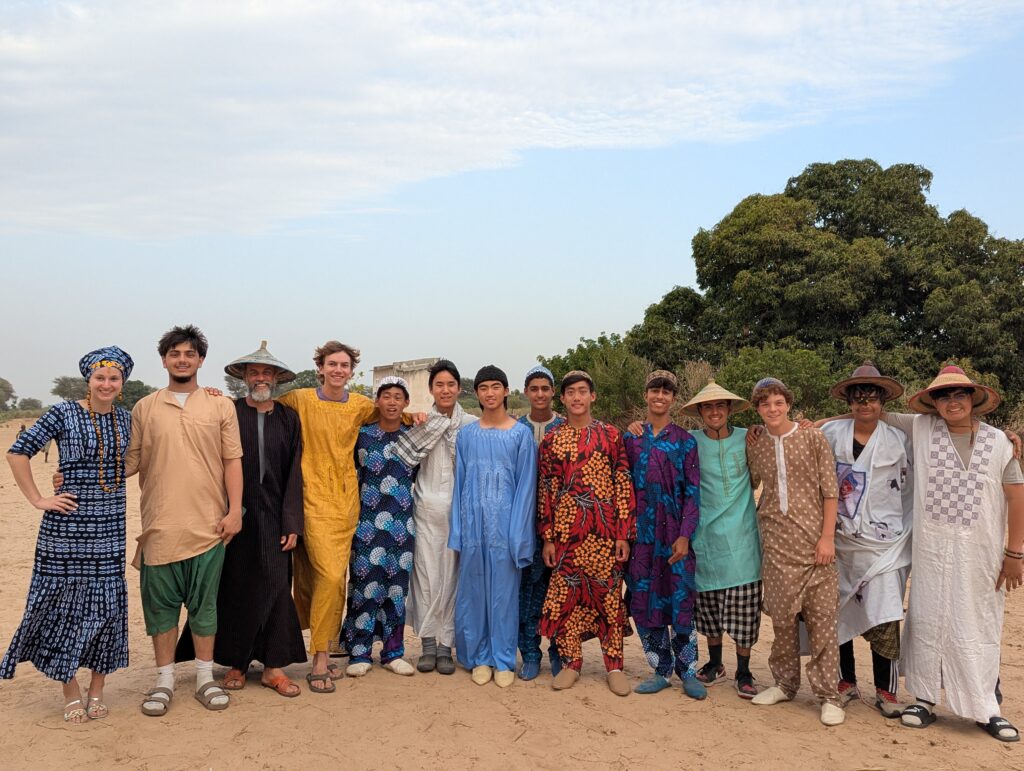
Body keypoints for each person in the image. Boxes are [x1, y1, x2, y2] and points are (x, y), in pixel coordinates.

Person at [885, 366, 1024, 742]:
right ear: (933, 403)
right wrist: (810, 425)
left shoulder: (1000, 442)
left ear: (973, 399)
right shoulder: (921, 428)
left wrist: (1015, 552)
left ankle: (986, 707)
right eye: (943, 396)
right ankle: (924, 699)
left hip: (981, 553)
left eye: (959, 394)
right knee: (927, 619)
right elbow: (870, 414)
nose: (952, 402)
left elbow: (1016, 496)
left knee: (979, 623)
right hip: (932, 550)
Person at [2, 347, 134, 723]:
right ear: (88, 380)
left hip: (110, 525)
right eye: (100, 377)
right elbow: (18, 452)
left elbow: (137, 459)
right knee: (64, 606)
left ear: (122, 383)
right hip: (66, 525)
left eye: (113, 378)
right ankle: (70, 688)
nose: (106, 384)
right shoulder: (62, 412)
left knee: (107, 607)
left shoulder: (127, 419)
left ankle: (97, 688)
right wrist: (39, 498)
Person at [174, 341, 306, 697]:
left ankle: (273, 668)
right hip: (233, 514)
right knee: (235, 587)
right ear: (244, 377)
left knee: (277, 588)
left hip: (276, 516)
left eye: (267, 372)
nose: (261, 377)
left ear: (276, 378)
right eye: (254, 372)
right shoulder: (227, 410)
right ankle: (237, 663)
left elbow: (294, 472)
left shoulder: (288, 418)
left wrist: (292, 522)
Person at [130, 325, 243, 716]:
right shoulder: (145, 408)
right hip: (159, 527)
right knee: (160, 609)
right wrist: (72, 475)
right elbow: (128, 462)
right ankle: (164, 680)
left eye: (189, 354)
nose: (182, 360)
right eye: (175, 354)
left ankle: (204, 678)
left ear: (200, 360)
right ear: (164, 360)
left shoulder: (219, 406)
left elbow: (232, 460)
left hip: (209, 527)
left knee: (204, 607)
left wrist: (234, 511)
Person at [276, 340, 376, 693]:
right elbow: (260, 405)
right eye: (332, 364)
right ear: (320, 367)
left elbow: (392, 414)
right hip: (306, 499)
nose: (338, 370)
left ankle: (321, 654)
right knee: (314, 579)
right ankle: (316, 651)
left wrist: (417, 416)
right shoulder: (300, 399)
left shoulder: (361, 405)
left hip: (345, 503)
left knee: (333, 578)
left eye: (344, 365)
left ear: (351, 371)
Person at [745, 377, 845, 726]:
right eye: (765, 404)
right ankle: (785, 684)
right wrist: (751, 435)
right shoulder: (756, 443)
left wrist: (827, 538)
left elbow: (830, 491)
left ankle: (829, 696)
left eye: (778, 402)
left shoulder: (812, 437)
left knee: (822, 624)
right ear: (757, 408)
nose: (772, 409)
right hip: (776, 545)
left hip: (815, 547)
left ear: (788, 404)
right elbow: (753, 483)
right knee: (783, 622)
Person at [818, 363, 912, 718]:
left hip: (884, 543)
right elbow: (799, 440)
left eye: (872, 398)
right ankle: (845, 682)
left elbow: (941, 441)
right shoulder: (831, 432)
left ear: (882, 401)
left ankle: (886, 691)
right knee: (837, 611)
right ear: (850, 402)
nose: (865, 404)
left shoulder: (900, 439)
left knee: (885, 614)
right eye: (858, 398)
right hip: (839, 540)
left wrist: (1003, 438)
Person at [538, 370, 636, 696]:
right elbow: (547, 489)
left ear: (593, 396)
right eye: (571, 392)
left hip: (605, 535)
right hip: (567, 536)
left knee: (609, 598)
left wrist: (623, 534)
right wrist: (548, 537)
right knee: (566, 599)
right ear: (563, 398)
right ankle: (571, 663)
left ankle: (614, 666)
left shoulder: (611, 435)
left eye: (582, 391)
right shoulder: (552, 440)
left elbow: (623, 483)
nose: (577, 397)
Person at [449, 366, 537, 688]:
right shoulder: (467, 436)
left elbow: (526, 488)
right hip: (473, 529)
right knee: (473, 594)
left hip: (506, 531)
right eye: (483, 387)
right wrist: (458, 530)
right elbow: (459, 484)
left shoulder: (520, 435)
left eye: (495, 386)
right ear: (476, 393)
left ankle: (502, 658)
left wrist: (519, 536)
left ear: (506, 391)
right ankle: (479, 657)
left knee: (503, 597)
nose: (490, 393)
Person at [623, 370, 705, 699]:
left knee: (680, 600)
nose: (660, 396)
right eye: (654, 390)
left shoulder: (685, 441)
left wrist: (685, 535)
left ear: (673, 398)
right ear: (646, 395)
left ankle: (688, 672)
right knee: (645, 601)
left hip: (675, 537)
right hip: (641, 537)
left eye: (666, 392)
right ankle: (660, 670)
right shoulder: (631, 438)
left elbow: (693, 493)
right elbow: (622, 486)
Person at [680, 381, 762, 700]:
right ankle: (715, 663)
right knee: (709, 609)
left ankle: (744, 671)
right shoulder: (690, 441)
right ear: (700, 412)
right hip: (705, 538)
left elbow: (777, 446)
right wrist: (636, 427)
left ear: (729, 409)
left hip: (743, 538)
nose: (714, 412)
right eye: (708, 407)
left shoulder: (748, 437)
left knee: (744, 611)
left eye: (720, 406)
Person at [395, 359, 477, 675]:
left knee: (452, 579)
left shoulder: (471, 425)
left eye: (450, 384)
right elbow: (404, 459)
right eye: (439, 384)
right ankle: (428, 645)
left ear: (459, 388)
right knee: (425, 579)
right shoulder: (420, 423)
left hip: (458, 516)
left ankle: (446, 647)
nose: (445, 390)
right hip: (425, 513)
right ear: (431, 389)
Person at [342, 377, 419, 678]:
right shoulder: (361, 436)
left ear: (406, 403)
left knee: (396, 590)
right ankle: (359, 651)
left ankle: (393, 652)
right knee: (365, 587)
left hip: (402, 524)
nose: (392, 402)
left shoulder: (413, 437)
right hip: (366, 525)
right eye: (386, 396)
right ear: (377, 401)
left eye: (398, 397)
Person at [515, 365, 565, 681]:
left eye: (545, 388)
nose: (540, 394)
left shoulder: (565, 427)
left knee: (559, 590)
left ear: (553, 392)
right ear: (526, 392)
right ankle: (531, 654)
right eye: (534, 388)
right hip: (525, 523)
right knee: (528, 591)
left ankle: (560, 652)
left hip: (563, 524)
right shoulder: (516, 428)